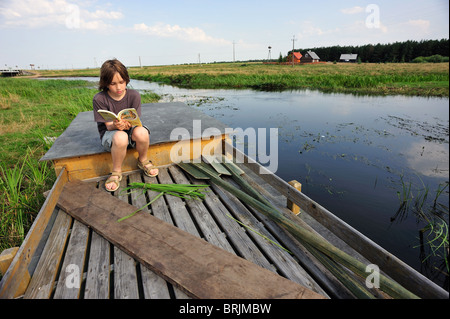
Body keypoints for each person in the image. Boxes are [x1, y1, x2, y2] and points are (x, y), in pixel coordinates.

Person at [93, 59, 158, 192]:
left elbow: (136, 121)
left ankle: (143, 160)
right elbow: (108, 126)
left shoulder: (134, 95)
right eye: (113, 84)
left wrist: (129, 124)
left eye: (122, 82)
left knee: (142, 132)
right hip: (111, 136)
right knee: (121, 137)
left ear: (126, 80)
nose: (118, 88)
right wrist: (116, 125)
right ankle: (116, 172)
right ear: (105, 83)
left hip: (131, 132)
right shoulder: (99, 99)